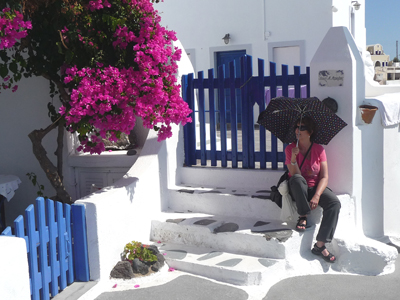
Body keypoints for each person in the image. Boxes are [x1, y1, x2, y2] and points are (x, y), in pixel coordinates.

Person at [285, 116, 341, 263]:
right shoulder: (290, 148)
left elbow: (324, 177)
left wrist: (317, 195)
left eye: (302, 127)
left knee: (334, 203)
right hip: (298, 188)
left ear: (310, 131)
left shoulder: (319, 149)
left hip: (314, 187)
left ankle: (320, 244)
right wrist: (293, 158)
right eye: (296, 127)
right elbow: (294, 175)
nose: (298, 130)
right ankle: (303, 215)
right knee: (297, 179)